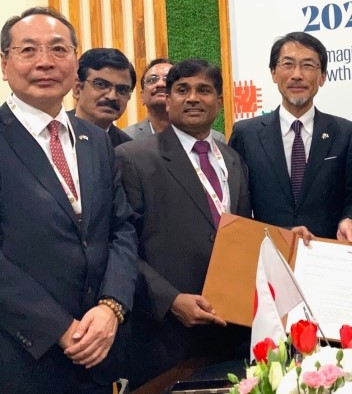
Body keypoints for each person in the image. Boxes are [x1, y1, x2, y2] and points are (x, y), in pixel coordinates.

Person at [115, 59, 311, 386]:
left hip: (230, 327)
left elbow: (242, 230)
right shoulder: (134, 158)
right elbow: (122, 247)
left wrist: (284, 239)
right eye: (182, 90)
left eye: (204, 90)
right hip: (166, 332)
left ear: (219, 103)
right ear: (168, 99)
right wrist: (171, 300)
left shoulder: (231, 159)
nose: (193, 98)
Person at [0, 6, 138, 393]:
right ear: (4, 64)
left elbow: (121, 228)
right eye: (28, 50)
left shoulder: (96, 140)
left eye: (58, 49)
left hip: (99, 350)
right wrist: (59, 328)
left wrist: (111, 306)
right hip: (18, 356)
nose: (45, 62)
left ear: (74, 62)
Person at [229, 32, 352, 241]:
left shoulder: (345, 133)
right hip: (267, 253)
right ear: (273, 73)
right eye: (288, 64)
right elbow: (237, 204)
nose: (297, 75)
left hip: (326, 251)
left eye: (308, 65)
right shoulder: (246, 134)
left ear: (323, 76)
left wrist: (349, 220)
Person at [124, 58, 226, 143]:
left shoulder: (217, 140)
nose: (160, 84)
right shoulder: (126, 138)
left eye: (166, 79)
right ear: (142, 96)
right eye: (152, 80)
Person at [73, 48, 136, 147]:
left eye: (122, 89)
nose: (112, 97)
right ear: (77, 89)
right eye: (101, 85)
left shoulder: (128, 150)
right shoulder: (53, 132)